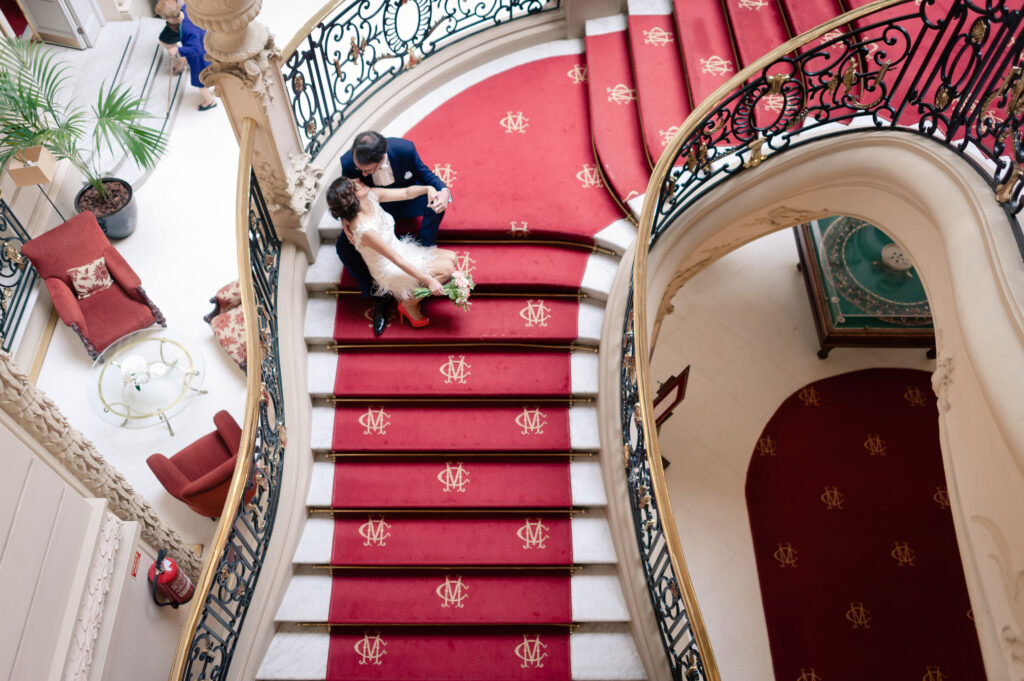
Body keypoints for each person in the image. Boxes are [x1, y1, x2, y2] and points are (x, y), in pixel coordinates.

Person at [338, 131, 451, 335]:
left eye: (367, 171)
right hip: (371, 209)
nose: (362, 175)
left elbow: (426, 176)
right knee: (343, 248)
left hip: (400, 198)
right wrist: (345, 220)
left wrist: (443, 192)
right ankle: (378, 295)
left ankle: (424, 252)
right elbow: (345, 194)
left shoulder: (405, 149)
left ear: (382, 158)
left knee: (435, 204)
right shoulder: (349, 162)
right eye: (360, 170)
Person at [326, 177, 458, 327]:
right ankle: (408, 304)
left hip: (400, 249)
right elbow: (396, 260)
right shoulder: (364, 228)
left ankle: (418, 287)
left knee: (452, 258)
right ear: (351, 198)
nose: (358, 180)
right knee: (446, 270)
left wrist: (428, 189)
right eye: (354, 185)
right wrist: (429, 281)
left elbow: (406, 193)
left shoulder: (371, 195)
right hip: (390, 267)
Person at [155, 0, 217, 111]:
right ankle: (218, 88)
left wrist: (177, 49)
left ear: (169, 18)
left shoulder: (187, 29)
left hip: (200, 57)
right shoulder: (187, 9)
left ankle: (209, 101)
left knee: (200, 81)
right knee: (212, 72)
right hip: (207, 45)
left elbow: (196, 49)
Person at [155, 0, 186, 75]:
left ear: (171, 18)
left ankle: (182, 59)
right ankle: (181, 58)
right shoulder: (182, 10)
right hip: (175, 25)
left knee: (165, 40)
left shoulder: (184, 27)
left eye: (164, 17)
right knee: (165, 39)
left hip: (177, 29)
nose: (162, 18)